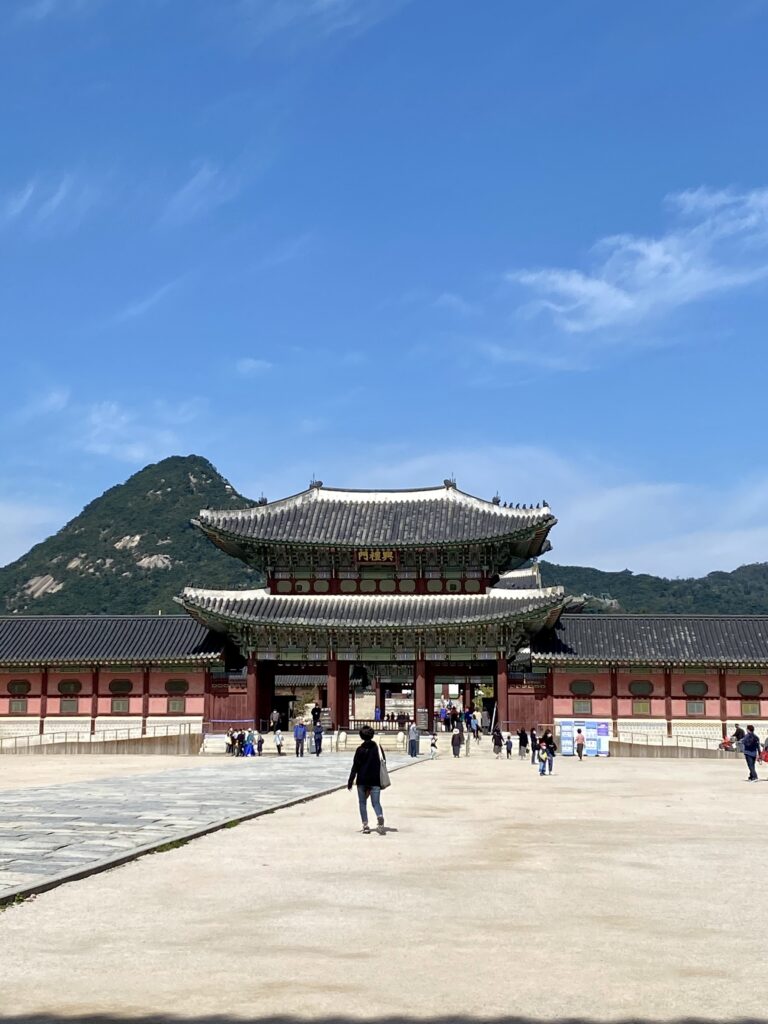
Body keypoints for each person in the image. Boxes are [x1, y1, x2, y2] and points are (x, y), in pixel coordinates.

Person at [347, 725, 386, 835]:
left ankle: (365, 826)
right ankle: (380, 817)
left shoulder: (360, 750)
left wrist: (350, 781)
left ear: (361, 736)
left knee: (362, 803)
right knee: (376, 803)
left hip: (362, 780)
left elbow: (355, 766)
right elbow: (384, 761)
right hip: (375, 779)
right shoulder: (377, 748)